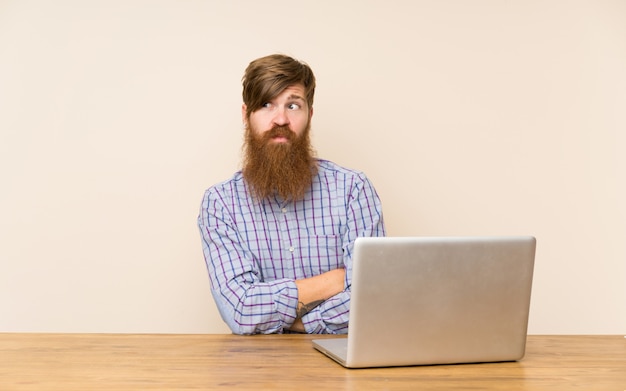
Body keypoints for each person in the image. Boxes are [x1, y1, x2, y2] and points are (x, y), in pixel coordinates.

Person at [197, 54, 385, 335]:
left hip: (342, 370)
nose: (280, 119)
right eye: (266, 105)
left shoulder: (352, 190)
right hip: (257, 372)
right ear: (246, 115)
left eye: (293, 105)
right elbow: (240, 311)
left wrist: (302, 324)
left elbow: (373, 296)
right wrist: (331, 282)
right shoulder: (220, 204)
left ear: (310, 114)